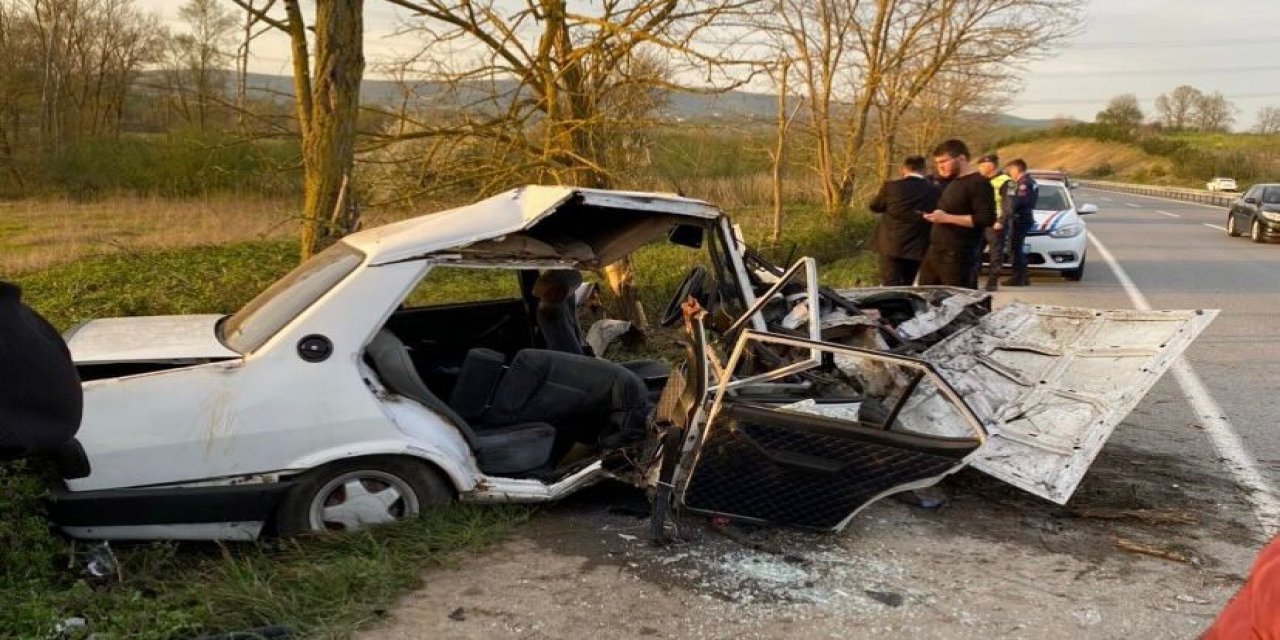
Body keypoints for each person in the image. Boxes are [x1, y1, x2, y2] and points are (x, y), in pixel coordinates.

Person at [918, 139, 996, 288]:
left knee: (956, 302)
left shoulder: (978, 183)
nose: (940, 166)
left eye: (944, 161)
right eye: (937, 162)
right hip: (935, 252)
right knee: (925, 299)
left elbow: (986, 218)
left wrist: (946, 218)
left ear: (961, 158)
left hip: (958, 256)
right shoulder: (953, 182)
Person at [868, 156, 940, 286]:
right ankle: (904, 305)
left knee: (890, 283)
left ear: (904, 169)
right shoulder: (934, 191)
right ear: (924, 170)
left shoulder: (891, 187)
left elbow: (875, 206)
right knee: (908, 283)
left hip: (890, 242)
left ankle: (891, 306)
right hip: (917, 244)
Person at [975, 153, 1014, 291]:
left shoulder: (1007, 182)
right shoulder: (981, 180)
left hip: (995, 223)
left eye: (982, 166)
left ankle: (992, 282)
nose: (979, 168)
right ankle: (973, 279)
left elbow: (1008, 205)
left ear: (990, 166)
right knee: (975, 251)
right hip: (981, 221)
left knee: (995, 254)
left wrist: (1001, 221)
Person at [1001, 159, 1038, 287]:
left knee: (1015, 248)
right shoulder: (1020, 182)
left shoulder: (1024, 184)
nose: (1009, 172)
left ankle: (1018, 277)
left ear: (1017, 169)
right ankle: (1023, 276)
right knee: (1015, 247)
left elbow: (1016, 202)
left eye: (1010, 170)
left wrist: (1007, 212)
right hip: (1021, 217)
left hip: (1020, 217)